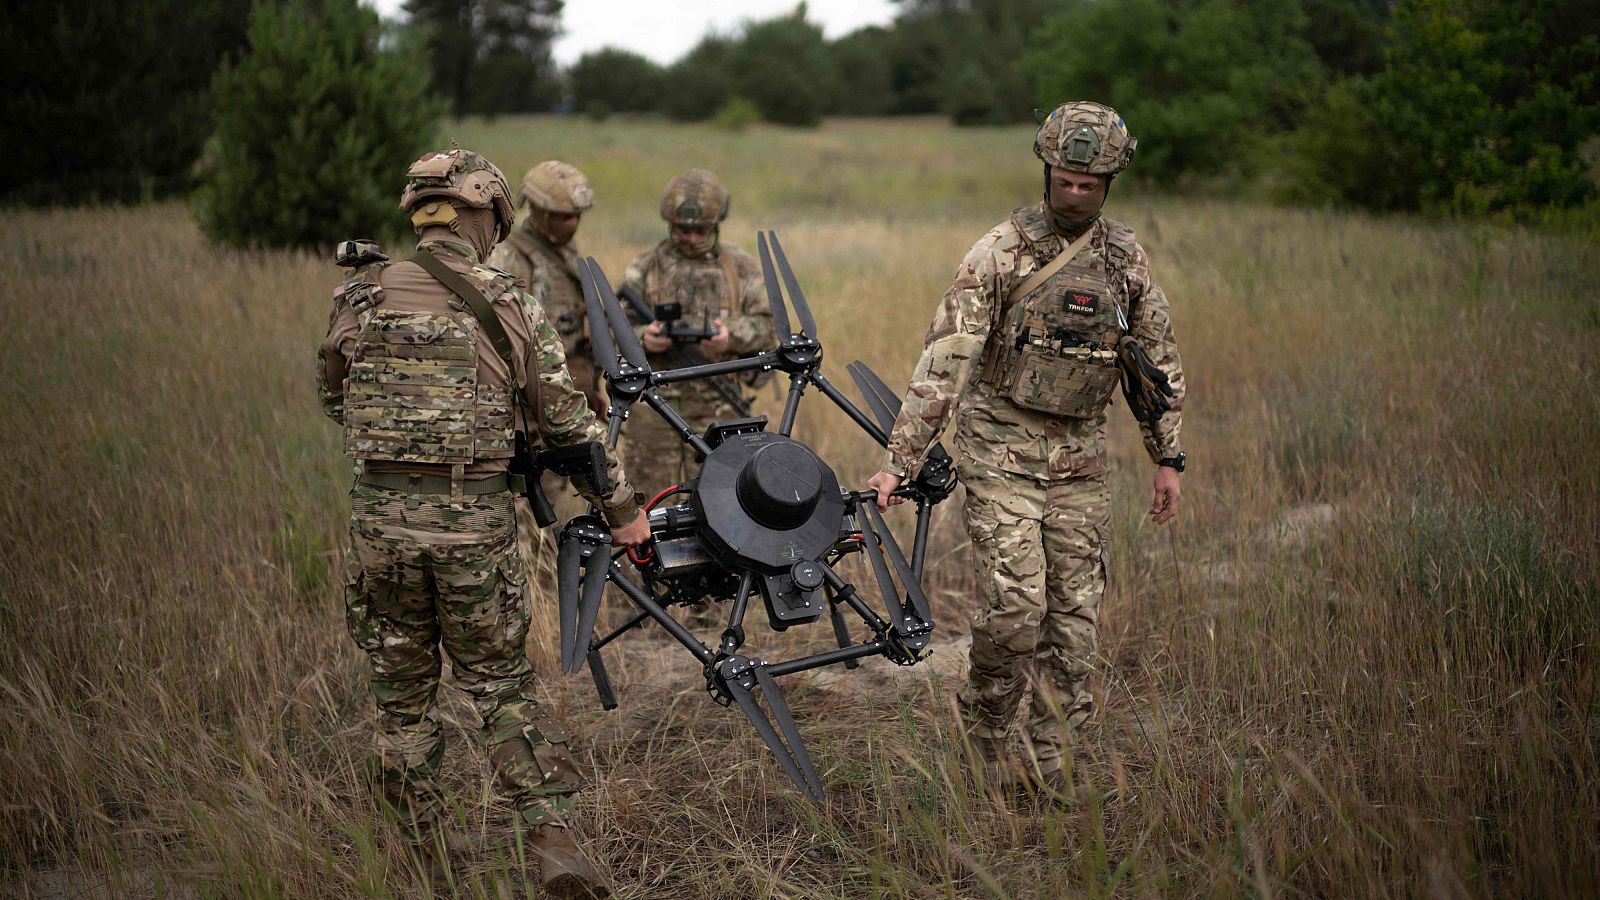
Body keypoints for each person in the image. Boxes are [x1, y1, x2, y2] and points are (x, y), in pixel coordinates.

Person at [317, 146, 648, 897]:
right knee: (500, 686)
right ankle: (554, 846)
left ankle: (417, 859)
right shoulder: (506, 300)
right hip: (474, 528)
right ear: (489, 212)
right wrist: (624, 514)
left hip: (380, 526)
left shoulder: (359, 293)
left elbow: (335, 400)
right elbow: (569, 430)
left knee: (399, 694)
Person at [866, 102, 1187, 798]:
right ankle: (984, 734)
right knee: (1016, 609)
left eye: (1090, 183)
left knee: (1074, 627)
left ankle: (1055, 767)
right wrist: (902, 457)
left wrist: (1168, 455)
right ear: (1047, 171)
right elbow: (947, 358)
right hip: (1001, 449)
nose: (1077, 193)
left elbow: (1154, 358)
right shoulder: (998, 253)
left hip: (1081, 459)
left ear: (1110, 183)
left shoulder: (1125, 258)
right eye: (1067, 180)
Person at [618, 169, 774, 492]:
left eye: (699, 230)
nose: (689, 238)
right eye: (682, 230)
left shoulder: (740, 268)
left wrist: (730, 337)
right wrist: (645, 337)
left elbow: (768, 327)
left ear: (716, 224)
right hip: (655, 411)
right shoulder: (644, 268)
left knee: (723, 497)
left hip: (720, 408)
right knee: (650, 501)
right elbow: (609, 332)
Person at [489, 160, 603, 418]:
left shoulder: (567, 252)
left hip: (572, 389)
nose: (573, 224)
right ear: (541, 213)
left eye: (577, 216)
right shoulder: (507, 257)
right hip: (532, 401)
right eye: (564, 217)